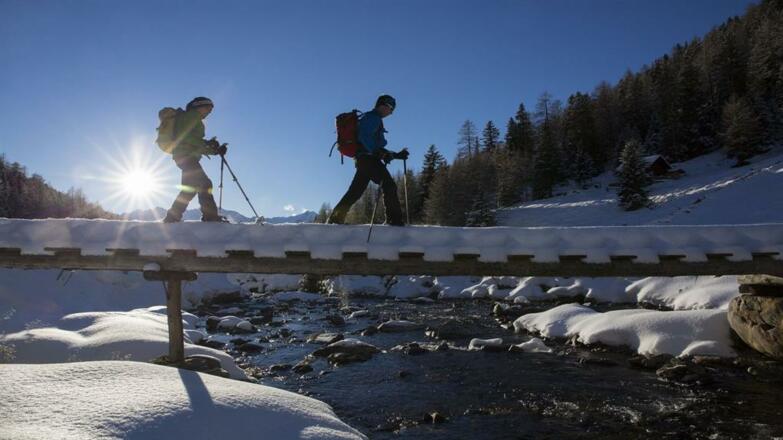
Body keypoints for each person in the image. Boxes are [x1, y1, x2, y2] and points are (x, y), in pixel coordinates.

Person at [328, 94, 409, 225]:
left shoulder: (372, 118)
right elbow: (364, 137)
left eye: (393, 110)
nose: (391, 112)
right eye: (391, 108)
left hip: (363, 160)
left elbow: (375, 145)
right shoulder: (373, 118)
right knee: (389, 185)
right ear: (382, 105)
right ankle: (395, 221)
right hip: (368, 160)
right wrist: (377, 152)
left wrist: (396, 155)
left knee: (355, 191)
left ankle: (335, 219)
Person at [163, 97, 228, 223]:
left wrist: (214, 150)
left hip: (184, 156)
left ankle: (172, 218)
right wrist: (207, 144)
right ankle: (211, 217)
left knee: (190, 189)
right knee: (205, 184)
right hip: (186, 156)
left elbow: (193, 143)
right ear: (198, 106)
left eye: (211, 109)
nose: (210, 111)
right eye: (208, 108)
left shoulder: (193, 118)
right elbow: (184, 136)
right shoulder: (192, 115)